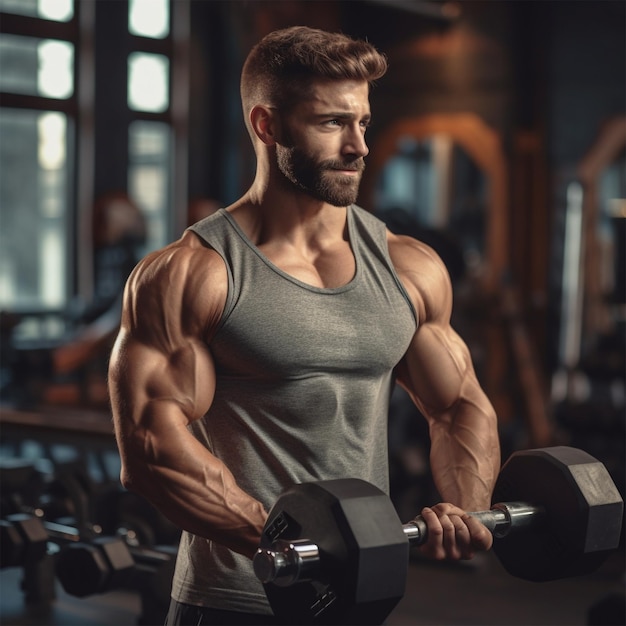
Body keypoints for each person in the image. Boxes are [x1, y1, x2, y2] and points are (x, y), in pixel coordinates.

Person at [109, 26, 501, 625]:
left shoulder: (408, 266)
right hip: (235, 600)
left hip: (361, 593)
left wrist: (466, 508)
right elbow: (151, 448)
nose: (359, 146)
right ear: (268, 126)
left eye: (363, 122)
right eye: (331, 123)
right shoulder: (195, 274)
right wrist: (288, 544)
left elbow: (459, 406)